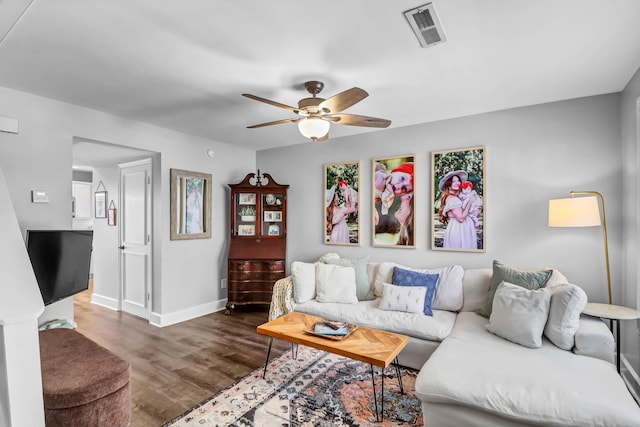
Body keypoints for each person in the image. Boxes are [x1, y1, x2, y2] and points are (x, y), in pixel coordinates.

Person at [437, 170, 476, 249]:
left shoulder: (458, 197)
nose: (457, 183)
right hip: (459, 230)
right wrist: (470, 202)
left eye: (458, 180)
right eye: (453, 181)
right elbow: (461, 218)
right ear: (448, 185)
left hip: (463, 228)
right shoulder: (452, 199)